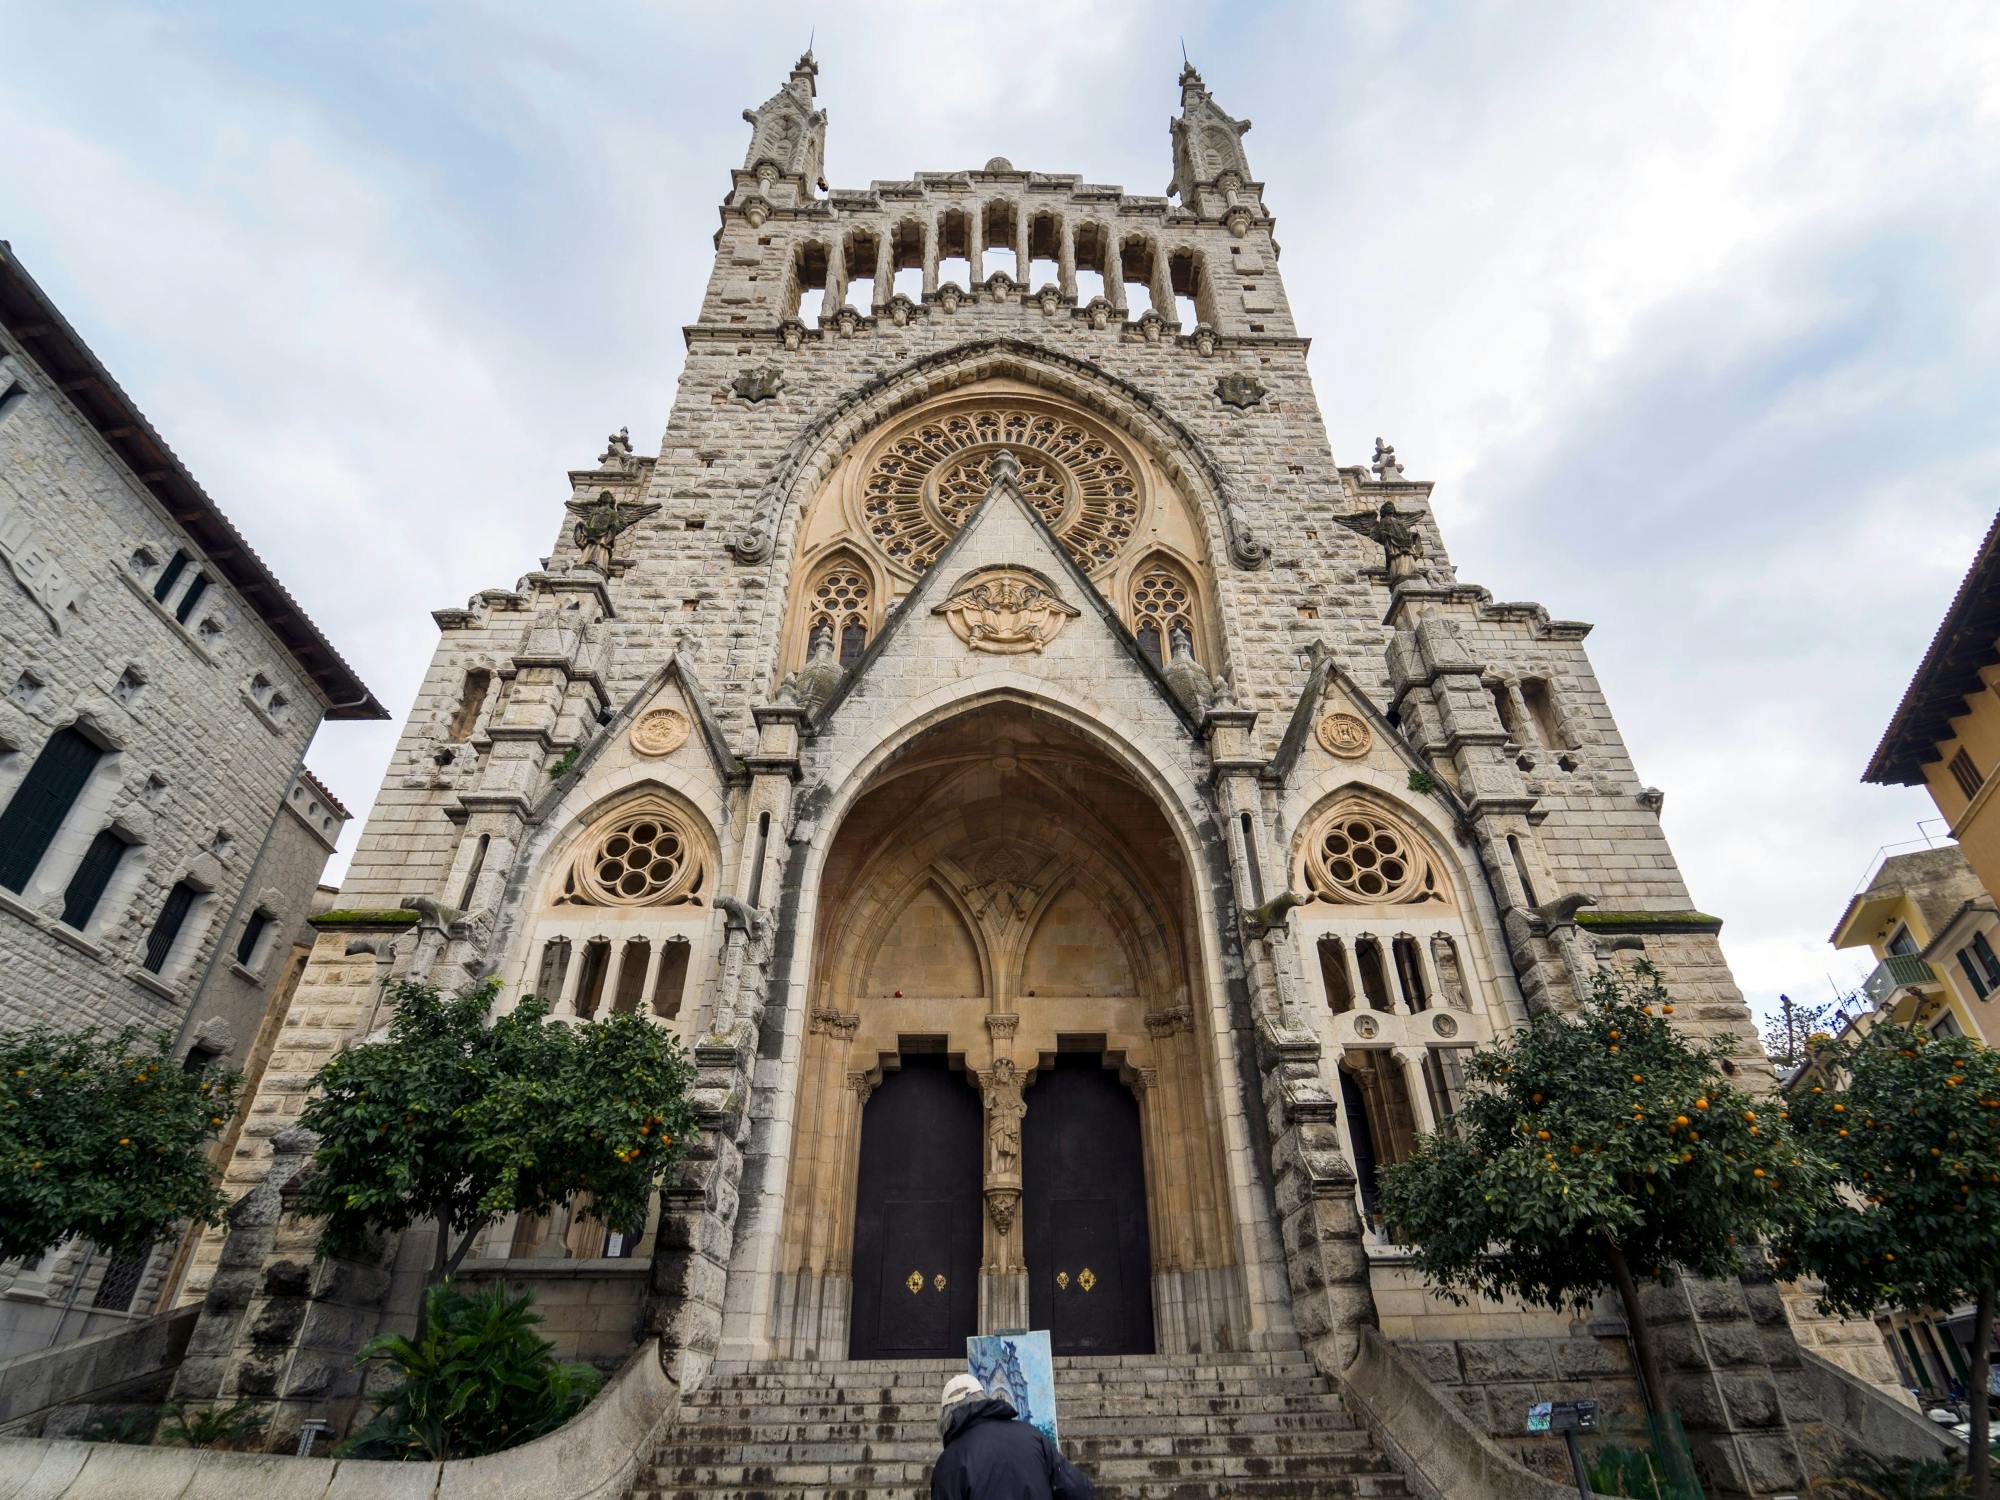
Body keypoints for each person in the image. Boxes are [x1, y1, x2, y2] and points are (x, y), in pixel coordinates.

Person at [930, 1373, 1093, 1500]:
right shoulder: (1032, 1436)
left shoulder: (949, 1462)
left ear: (946, 1417)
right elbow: (1078, 1490)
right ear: (984, 1399)